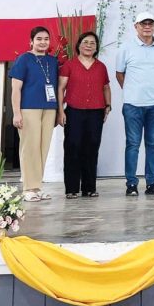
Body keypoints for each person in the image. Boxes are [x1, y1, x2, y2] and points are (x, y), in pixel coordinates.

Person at [116, 12, 154, 196]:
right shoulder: (126, 47)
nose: (147, 27)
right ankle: (131, 184)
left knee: (153, 144)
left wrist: (150, 90)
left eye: (150, 23)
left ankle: (152, 183)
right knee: (132, 144)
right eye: (143, 24)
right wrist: (132, 91)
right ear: (136, 26)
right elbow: (119, 73)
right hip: (132, 105)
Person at [57, 32, 111, 199]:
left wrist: (108, 105)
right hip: (74, 111)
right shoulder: (69, 65)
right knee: (73, 148)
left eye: (92, 43)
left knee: (92, 148)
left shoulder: (101, 66)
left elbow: (106, 87)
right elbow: (60, 88)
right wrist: (60, 111)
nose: (89, 45)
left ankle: (89, 188)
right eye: (85, 42)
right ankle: (71, 188)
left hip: (96, 112)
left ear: (96, 47)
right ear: (79, 45)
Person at [10, 26, 59, 202]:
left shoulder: (53, 61)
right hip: (29, 108)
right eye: (39, 38)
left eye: (46, 39)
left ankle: (37, 186)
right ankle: (28, 188)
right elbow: (16, 88)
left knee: (42, 148)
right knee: (29, 147)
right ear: (31, 41)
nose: (43, 42)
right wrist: (16, 113)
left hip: (49, 108)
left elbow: (56, 87)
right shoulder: (23, 59)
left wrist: (58, 111)